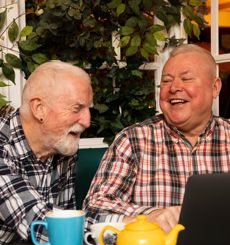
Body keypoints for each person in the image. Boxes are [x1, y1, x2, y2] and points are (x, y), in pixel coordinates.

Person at [83, 43, 230, 234]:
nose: (175, 87)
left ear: (215, 87)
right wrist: (149, 216)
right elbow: (93, 210)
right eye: (167, 81)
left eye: (186, 78)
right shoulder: (133, 141)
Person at [0, 60, 93, 245]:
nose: (87, 120)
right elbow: (47, 227)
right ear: (39, 108)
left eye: (88, 109)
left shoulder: (61, 147)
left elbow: (64, 234)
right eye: (77, 108)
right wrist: (123, 228)